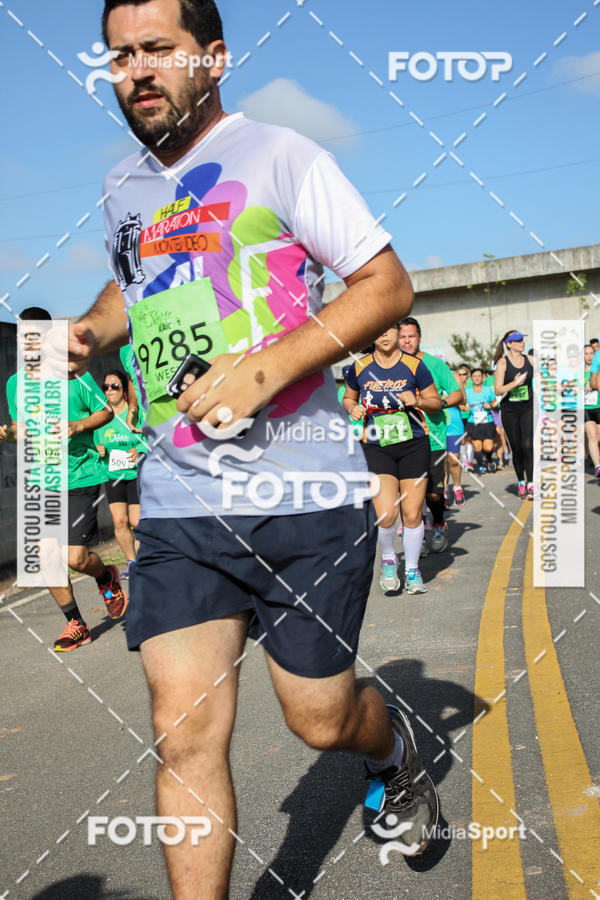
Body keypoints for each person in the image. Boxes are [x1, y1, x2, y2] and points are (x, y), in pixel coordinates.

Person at [68, 0, 440, 891]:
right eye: (120, 55)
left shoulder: (281, 155)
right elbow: (135, 287)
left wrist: (265, 370)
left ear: (215, 57)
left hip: (303, 498)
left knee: (318, 717)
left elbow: (386, 286)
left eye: (160, 49)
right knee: (183, 728)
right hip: (183, 497)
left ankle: (392, 749)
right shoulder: (123, 184)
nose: (138, 70)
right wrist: (90, 328)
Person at [1, 307, 128, 651]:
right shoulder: (17, 383)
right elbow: (22, 428)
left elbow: (105, 410)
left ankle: (106, 575)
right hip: (42, 477)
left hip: (80, 473)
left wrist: (78, 426)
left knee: (75, 558)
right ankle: (75, 624)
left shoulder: (74, 375)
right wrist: (12, 436)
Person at [342, 324, 442, 593]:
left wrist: (418, 401)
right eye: (379, 329)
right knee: (386, 513)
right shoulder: (359, 367)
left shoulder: (415, 365)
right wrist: (353, 408)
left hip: (413, 445)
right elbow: (348, 398)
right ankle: (388, 559)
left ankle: (412, 570)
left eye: (390, 329)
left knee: (411, 513)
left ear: (398, 334)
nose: (384, 334)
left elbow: (436, 401)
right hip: (376, 446)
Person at [397, 318, 464, 553]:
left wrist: (438, 403)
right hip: (403, 438)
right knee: (410, 494)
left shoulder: (434, 364)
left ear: (419, 337)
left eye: (411, 336)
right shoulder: (391, 365)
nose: (406, 341)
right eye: (402, 337)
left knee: (434, 493)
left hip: (433, 436)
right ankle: (417, 535)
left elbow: (458, 393)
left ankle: (438, 524)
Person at [95, 369, 147, 577]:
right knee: (119, 521)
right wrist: (97, 449)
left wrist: (139, 449)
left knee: (136, 521)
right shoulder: (101, 418)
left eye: (115, 386)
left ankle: (149, 556)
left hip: (135, 474)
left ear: (124, 389)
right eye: (106, 387)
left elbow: (150, 435)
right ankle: (132, 562)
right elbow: (94, 442)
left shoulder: (135, 412)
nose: (110, 390)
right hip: (114, 476)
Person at [493, 330, 534, 499]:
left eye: (522, 340)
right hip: (510, 410)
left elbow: (544, 377)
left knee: (528, 445)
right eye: (517, 340)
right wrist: (514, 384)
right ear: (509, 344)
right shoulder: (502, 363)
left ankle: (531, 483)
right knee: (516, 448)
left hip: (528, 407)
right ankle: (521, 482)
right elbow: (498, 389)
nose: (521, 343)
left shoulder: (531, 360)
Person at [464, 368, 498, 474]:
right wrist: (465, 408)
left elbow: (495, 403)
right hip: (473, 422)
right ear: (471, 378)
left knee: (487, 447)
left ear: (483, 377)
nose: (477, 378)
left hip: (487, 421)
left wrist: (491, 405)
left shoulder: (488, 390)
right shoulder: (467, 391)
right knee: (477, 446)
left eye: (479, 376)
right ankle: (480, 466)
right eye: (475, 376)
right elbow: (461, 404)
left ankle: (488, 459)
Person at [445, 367, 466, 505]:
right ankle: (444, 491)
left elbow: (463, 400)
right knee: (440, 461)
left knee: (453, 459)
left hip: (453, 425)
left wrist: (444, 400)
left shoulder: (453, 376)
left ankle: (457, 486)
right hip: (435, 425)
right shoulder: (425, 375)